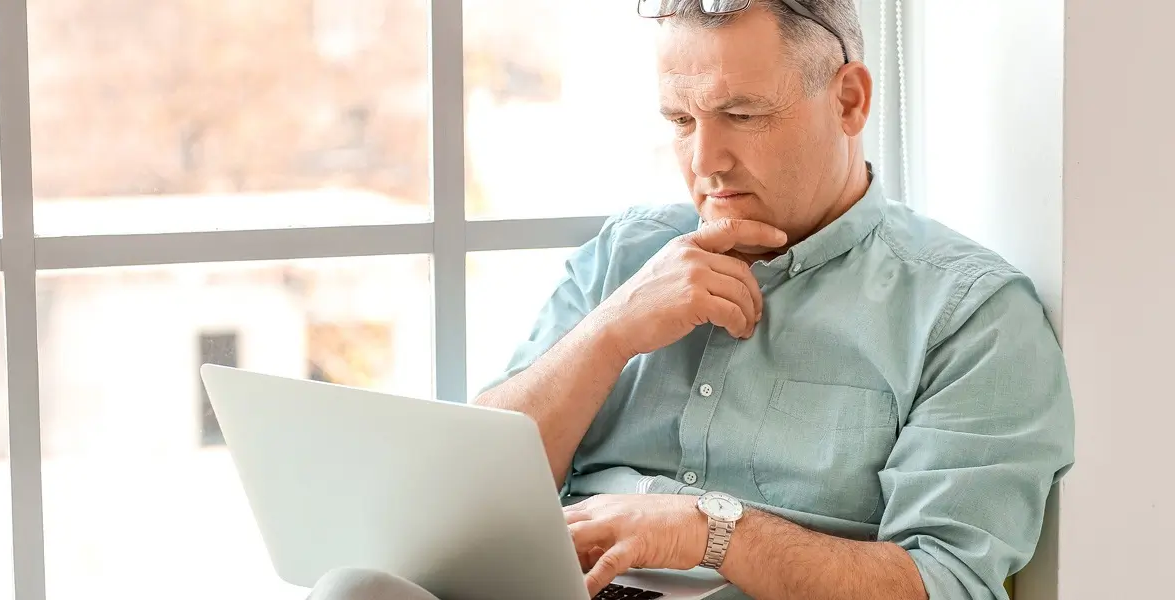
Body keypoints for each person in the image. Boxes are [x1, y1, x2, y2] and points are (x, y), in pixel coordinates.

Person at [310, 1, 1075, 598]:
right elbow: (459, 501)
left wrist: (707, 531)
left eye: (741, 115)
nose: (705, 160)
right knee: (354, 588)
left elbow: (944, 585)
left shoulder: (970, 315)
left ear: (848, 100)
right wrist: (608, 332)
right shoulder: (627, 254)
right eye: (680, 121)